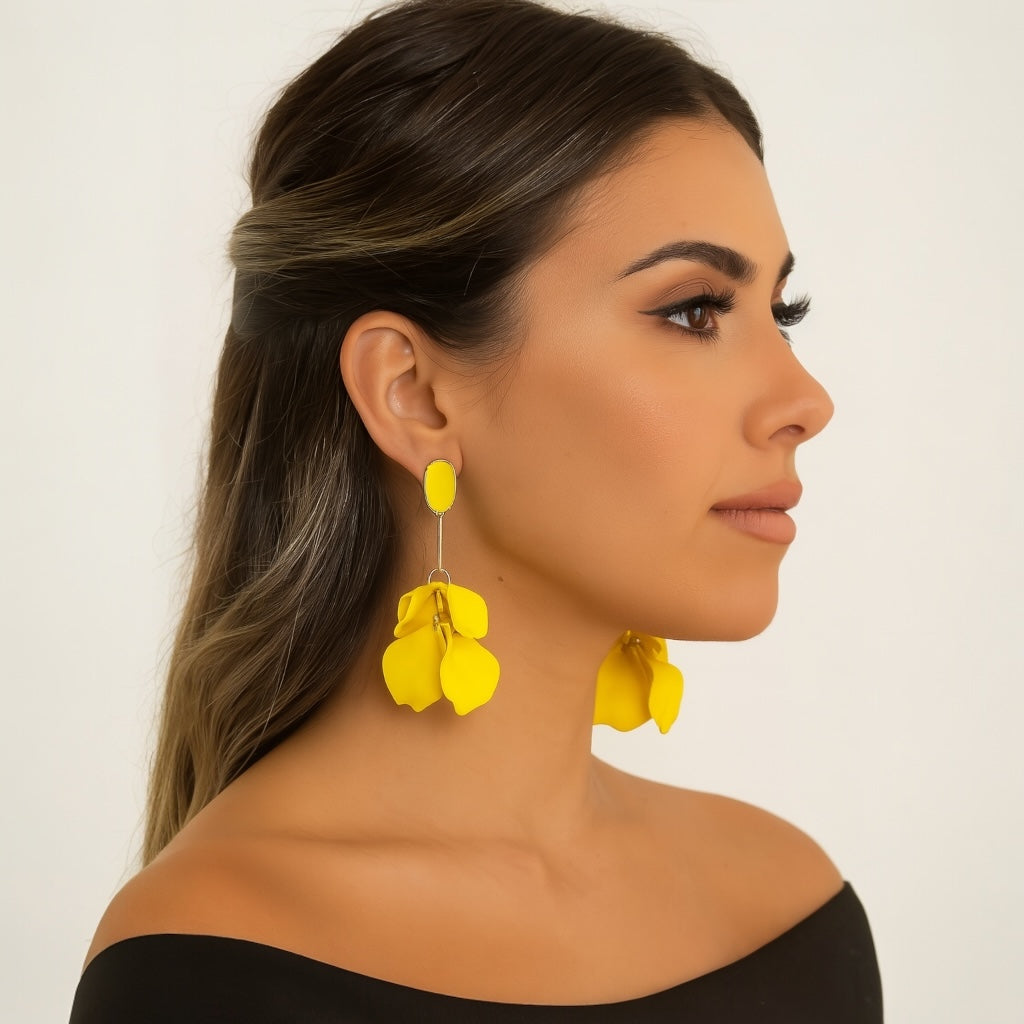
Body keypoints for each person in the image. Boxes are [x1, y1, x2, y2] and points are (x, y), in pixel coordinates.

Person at [70, 0, 883, 1019]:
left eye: (780, 311)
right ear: (413, 392)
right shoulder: (208, 966)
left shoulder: (789, 905)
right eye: (692, 310)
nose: (803, 402)